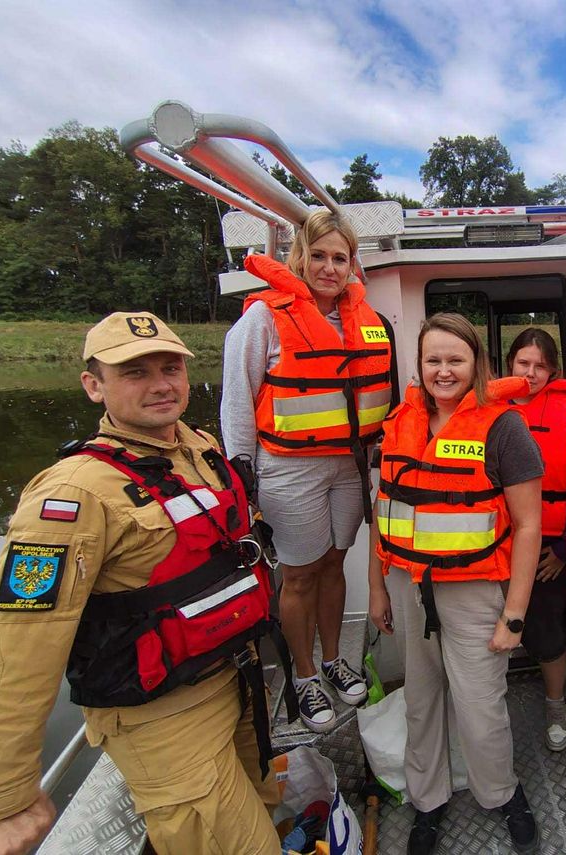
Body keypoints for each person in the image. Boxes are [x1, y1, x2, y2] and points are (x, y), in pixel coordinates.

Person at [0, 312, 281, 855]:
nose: (160, 385)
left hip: (235, 678)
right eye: (134, 372)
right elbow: (12, 646)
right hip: (163, 716)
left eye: (170, 367)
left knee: (263, 806)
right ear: (93, 385)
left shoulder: (197, 448)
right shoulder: (73, 495)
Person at [367, 313, 544, 855]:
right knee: (421, 699)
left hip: (473, 592)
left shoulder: (503, 427)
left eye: (455, 360)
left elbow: (530, 524)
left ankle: (502, 793)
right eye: (433, 360)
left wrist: (514, 616)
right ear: (419, 366)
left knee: (480, 705)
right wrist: (377, 589)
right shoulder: (399, 421)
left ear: (477, 365)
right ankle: (428, 801)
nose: (444, 371)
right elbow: (384, 510)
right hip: (406, 584)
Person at [221, 210, 393, 733]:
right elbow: (237, 402)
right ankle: (302, 677)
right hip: (287, 469)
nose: (329, 267)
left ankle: (333, 661)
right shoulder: (261, 320)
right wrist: (242, 474)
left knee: (334, 563)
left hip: (349, 465)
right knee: (297, 574)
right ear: (299, 257)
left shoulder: (369, 322)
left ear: (352, 265)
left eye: (340, 258)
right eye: (318, 256)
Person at [505, 327, 566, 751]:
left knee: (547, 631)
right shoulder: (488, 408)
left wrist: (563, 550)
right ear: (510, 365)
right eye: (523, 363)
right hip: (497, 542)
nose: (531, 372)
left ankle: (556, 703)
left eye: (540, 365)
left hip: (547, 545)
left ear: (553, 370)